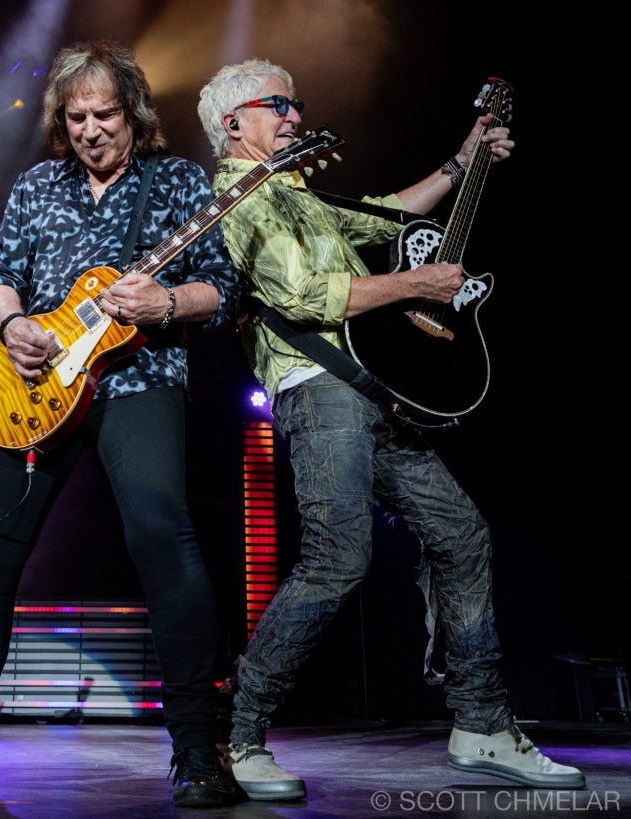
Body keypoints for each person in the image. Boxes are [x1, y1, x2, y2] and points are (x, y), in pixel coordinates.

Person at [196, 59, 585, 800]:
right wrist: (413, 283)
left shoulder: (299, 191)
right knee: (337, 556)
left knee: (462, 534)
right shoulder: (238, 197)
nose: (296, 115)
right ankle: (236, 733)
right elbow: (304, 294)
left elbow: (386, 213)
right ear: (234, 122)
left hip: (377, 389)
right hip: (318, 390)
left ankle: (481, 723)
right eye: (280, 104)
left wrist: (461, 161)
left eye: (296, 103)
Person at [0, 40, 241, 808]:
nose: (90, 130)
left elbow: (224, 287)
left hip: (139, 380)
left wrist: (166, 302)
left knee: (163, 536)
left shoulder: (178, 181)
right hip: (37, 387)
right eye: (76, 117)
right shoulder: (40, 184)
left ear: (133, 113)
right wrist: (12, 325)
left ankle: (197, 750)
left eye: (104, 114)